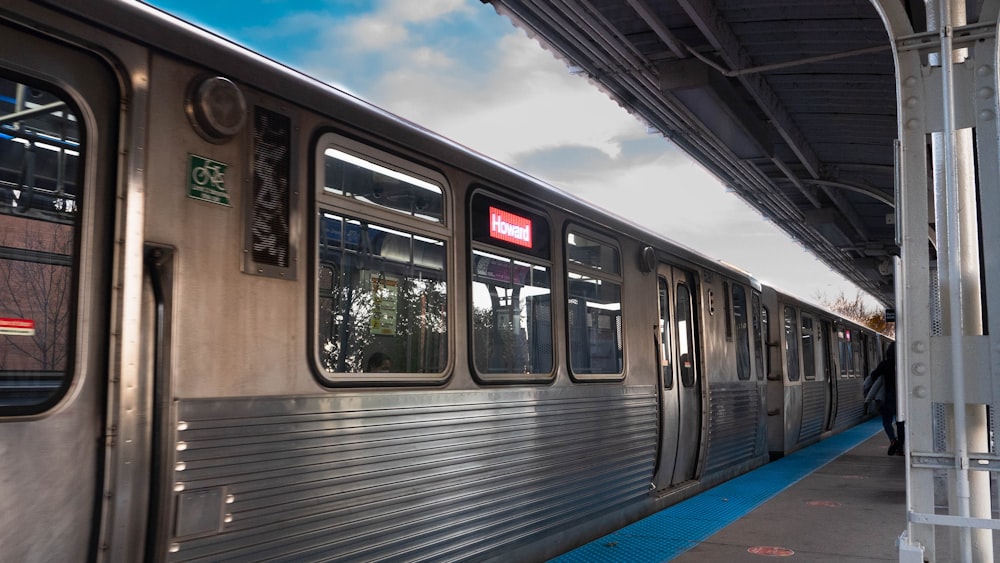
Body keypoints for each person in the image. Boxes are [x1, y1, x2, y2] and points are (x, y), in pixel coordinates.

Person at [868, 342, 904, 455]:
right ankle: (901, 447)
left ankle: (893, 440)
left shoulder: (885, 364)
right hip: (902, 398)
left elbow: (873, 376)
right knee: (901, 423)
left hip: (888, 398)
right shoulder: (903, 364)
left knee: (886, 422)